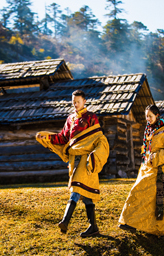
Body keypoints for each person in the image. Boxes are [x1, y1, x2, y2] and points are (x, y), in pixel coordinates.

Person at [36, 89, 109, 237]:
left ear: (84, 101)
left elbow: (98, 139)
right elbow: (63, 138)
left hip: (86, 160)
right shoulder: (70, 119)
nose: (75, 104)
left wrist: (94, 157)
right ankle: (93, 227)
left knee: (76, 188)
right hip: (73, 160)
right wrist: (47, 138)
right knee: (86, 193)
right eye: (73, 102)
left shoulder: (91, 118)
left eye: (78, 102)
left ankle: (65, 221)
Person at [118, 104, 164, 236]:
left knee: (155, 201)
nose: (148, 119)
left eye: (150, 116)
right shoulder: (148, 130)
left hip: (161, 172)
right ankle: (129, 222)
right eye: (146, 116)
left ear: (157, 115)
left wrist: (157, 156)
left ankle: (157, 228)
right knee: (137, 192)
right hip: (147, 169)